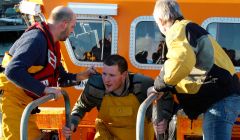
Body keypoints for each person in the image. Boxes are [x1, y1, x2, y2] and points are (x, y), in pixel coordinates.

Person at [0, 6, 95, 140]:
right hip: (14, 102)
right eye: (73, 27)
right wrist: (45, 89)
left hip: (27, 103)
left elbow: (60, 78)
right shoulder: (36, 39)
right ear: (64, 24)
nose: (72, 32)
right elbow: (12, 71)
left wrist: (81, 76)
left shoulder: (53, 44)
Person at [150, 0, 240, 140]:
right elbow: (198, 70)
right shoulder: (190, 29)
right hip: (224, 97)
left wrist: (159, 85)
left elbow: (181, 62)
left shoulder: (177, 30)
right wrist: (173, 88)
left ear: (161, 21)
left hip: (220, 100)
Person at [62, 54, 173, 140]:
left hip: (138, 134)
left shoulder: (142, 84)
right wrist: (72, 123)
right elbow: (81, 106)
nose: (106, 80)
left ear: (124, 75)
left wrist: (163, 118)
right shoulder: (96, 86)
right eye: (104, 74)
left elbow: (165, 94)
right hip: (107, 134)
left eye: (112, 75)